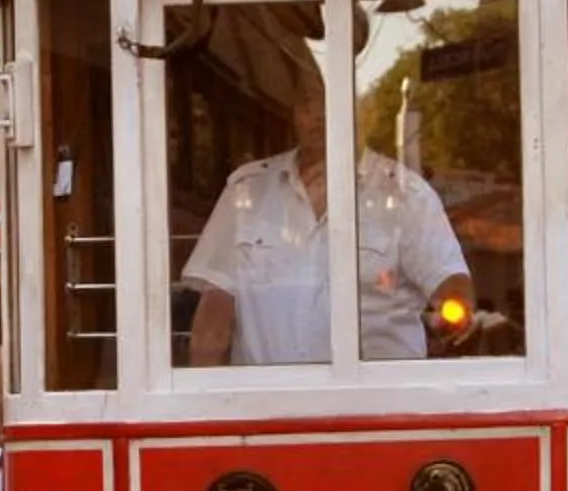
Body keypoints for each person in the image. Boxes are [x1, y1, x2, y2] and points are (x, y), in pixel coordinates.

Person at [180, 48, 472, 367]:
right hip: (267, 407)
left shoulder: (406, 195)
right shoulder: (247, 191)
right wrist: (204, 401)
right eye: (307, 102)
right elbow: (216, 307)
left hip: (373, 408)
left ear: (363, 111)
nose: (318, 114)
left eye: (330, 100)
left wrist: (454, 307)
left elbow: (450, 281)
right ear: (293, 112)